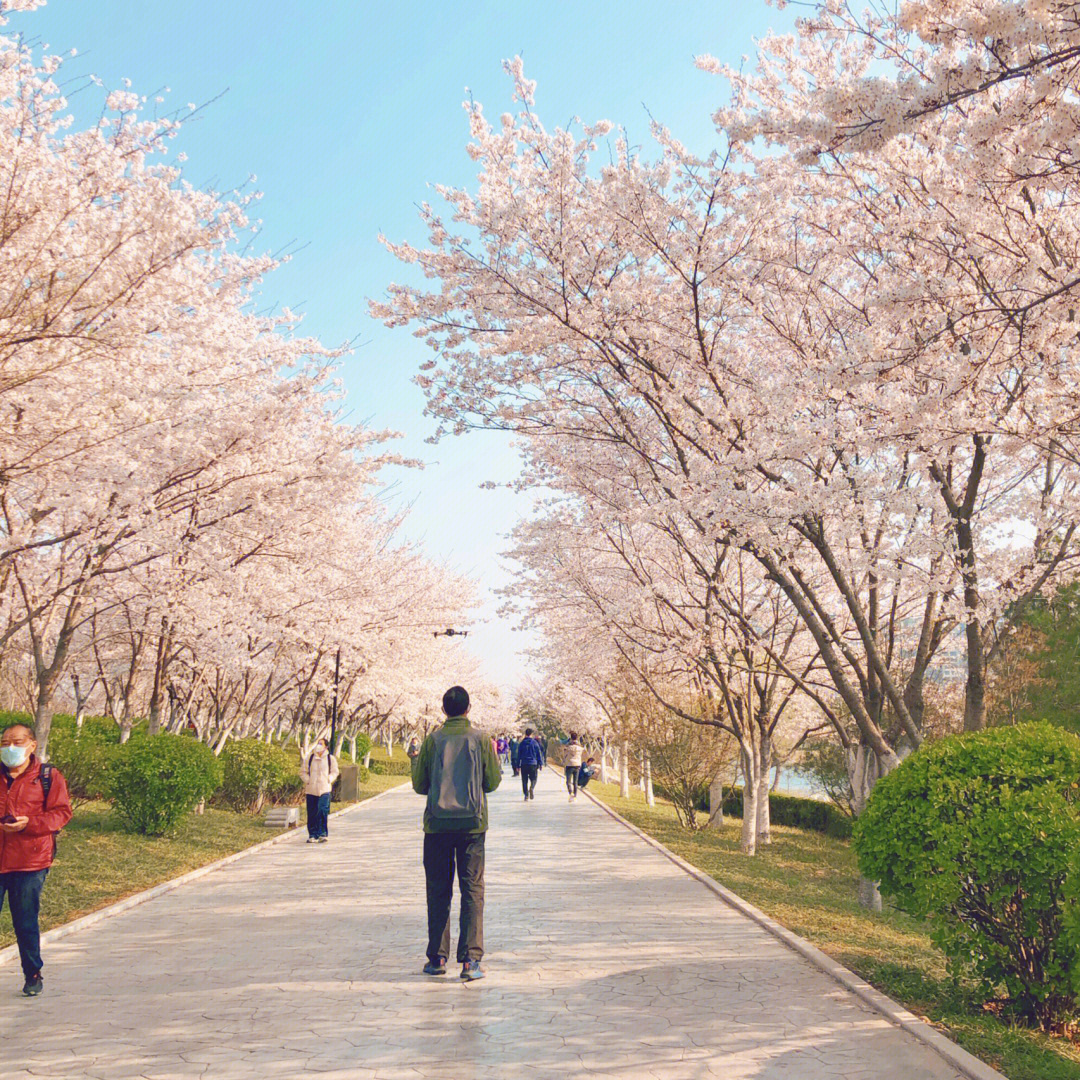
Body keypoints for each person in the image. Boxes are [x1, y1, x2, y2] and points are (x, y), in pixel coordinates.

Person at [411, 685, 501, 981]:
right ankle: (470, 961)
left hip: (436, 826)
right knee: (472, 889)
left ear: (443, 710)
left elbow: (419, 785)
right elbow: (492, 782)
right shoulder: (481, 739)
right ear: (468, 708)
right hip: (473, 826)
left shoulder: (432, 740)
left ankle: (437, 957)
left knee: (438, 890)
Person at [1, 723, 73, 997]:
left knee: (25, 921)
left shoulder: (47, 776)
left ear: (32, 744)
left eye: (17, 742)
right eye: (5, 742)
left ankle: (32, 974)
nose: (10, 748)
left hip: (29, 862)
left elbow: (61, 813)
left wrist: (28, 824)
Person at [300, 736, 339, 844]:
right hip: (311, 789)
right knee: (312, 812)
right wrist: (308, 780)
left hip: (324, 789)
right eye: (318, 743)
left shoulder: (330, 758)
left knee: (322, 810)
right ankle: (312, 835)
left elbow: (335, 772)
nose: (319, 745)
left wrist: (329, 779)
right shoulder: (310, 758)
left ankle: (322, 834)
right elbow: (303, 771)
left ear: (326, 746)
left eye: (321, 744)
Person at [517, 727, 545, 801]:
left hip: (524, 763)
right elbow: (538, 753)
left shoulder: (522, 743)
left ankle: (526, 795)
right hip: (533, 763)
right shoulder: (534, 742)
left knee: (524, 780)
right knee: (534, 778)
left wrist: (517, 765)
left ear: (525, 734)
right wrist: (541, 763)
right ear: (531, 734)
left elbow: (519, 755)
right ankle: (532, 788)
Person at [563, 732, 584, 800]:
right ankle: (575, 795)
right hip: (577, 765)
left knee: (568, 781)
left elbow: (565, 754)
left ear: (571, 738)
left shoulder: (568, 747)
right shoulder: (580, 748)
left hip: (569, 765)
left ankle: (570, 793)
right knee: (575, 781)